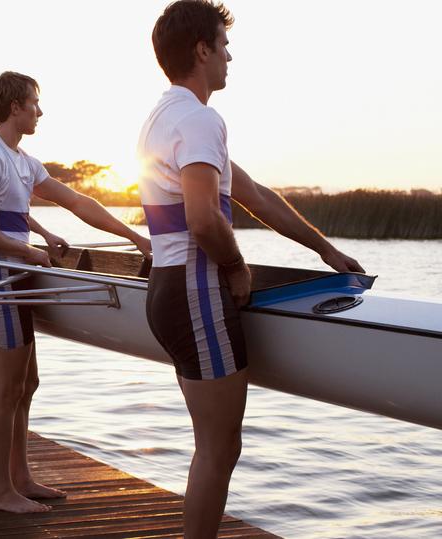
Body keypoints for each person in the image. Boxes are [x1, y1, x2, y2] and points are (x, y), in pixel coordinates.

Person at [139, 2, 364, 536]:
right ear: (202, 50)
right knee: (219, 450)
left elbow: (255, 195)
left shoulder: (166, 117)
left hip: (171, 290)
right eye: (223, 45)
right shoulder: (199, 118)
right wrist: (237, 267)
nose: (229, 57)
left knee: (213, 448)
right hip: (196, 291)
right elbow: (202, 219)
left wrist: (324, 250)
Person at [0, 71, 152, 513]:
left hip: (16, 277)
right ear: (15, 108)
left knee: (27, 383)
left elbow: (78, 203)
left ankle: (20, 477)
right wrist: (27, 251)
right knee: (8, 388)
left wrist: (136, 238)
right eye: (34, 103)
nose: (40, 111)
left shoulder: (23, 160)